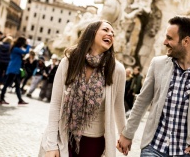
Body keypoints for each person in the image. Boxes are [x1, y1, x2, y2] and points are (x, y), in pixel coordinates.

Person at [117, 16, 190, 156]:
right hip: (153, 147)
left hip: (184, 152)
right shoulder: (157, 64)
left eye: (169, 38)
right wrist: (127, 134)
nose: (164, 42)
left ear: (186, 41)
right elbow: (142, 101)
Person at [39, 20, 126, 157]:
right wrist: (51, 144)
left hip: (94, 144)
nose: (110, 34)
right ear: (91, 32)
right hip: (65, 136)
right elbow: (56, 104)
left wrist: (125, 135)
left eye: (113, 33)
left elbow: (118, 106)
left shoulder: (117, 70)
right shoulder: (69, 62)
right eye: (106, 30)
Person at [0, 37, 31, 105]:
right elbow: (26, 51)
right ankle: (1, 99)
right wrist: (28, 45)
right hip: (13, 69)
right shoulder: (16, 49)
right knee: (6, 84)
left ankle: (20, 100)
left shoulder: (15, 48)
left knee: (17, 85)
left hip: (15, 69)